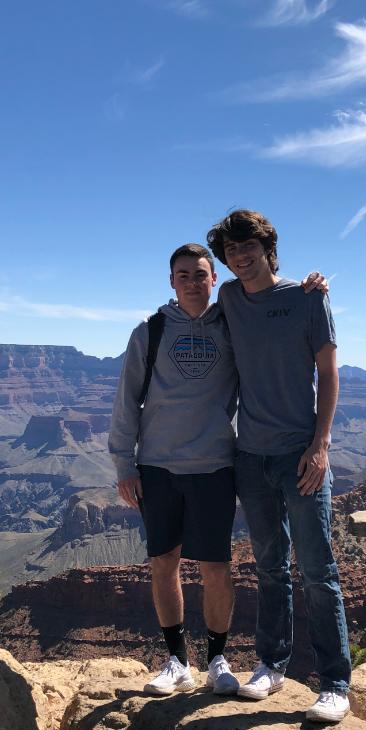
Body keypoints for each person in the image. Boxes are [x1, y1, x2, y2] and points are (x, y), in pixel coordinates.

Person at [206, 209, 351, 723]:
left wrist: (321, 444)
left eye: (248, 248)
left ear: (268, 248)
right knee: (269, 567)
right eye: (231, 251)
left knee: (318, 570)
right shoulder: (227, 297)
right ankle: (272, 664)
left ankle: (335, 683)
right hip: (251, 455)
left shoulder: (307, 298)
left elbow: (329, 374)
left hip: (300, 455)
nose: (240, 258)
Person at [109, 243, 240, 696]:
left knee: (216, 566)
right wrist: (124, 463)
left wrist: (310, 289)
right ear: (171, 281)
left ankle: (218, 660)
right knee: (163, 563)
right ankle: (177, 662)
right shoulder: (151, 330)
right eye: (183, 275)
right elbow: (126, 400)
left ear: (213, 279)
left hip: (215, 464)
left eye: (200, 274)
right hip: (158, 465)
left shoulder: (231, 325)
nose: (192, 282)